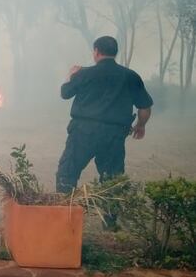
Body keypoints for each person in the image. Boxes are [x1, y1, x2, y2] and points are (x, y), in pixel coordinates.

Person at [56, 36, 153, 193]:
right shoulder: (130, 76)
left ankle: (66, 213)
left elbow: (65, 93)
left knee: (67, 174)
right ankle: (109, 217)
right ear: (115, 52)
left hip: (82, 132)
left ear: (96, 51)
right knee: (112, 180)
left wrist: (71, 75)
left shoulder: (84, 74)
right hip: (114, 135)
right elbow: (145, 107)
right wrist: (140, 125)